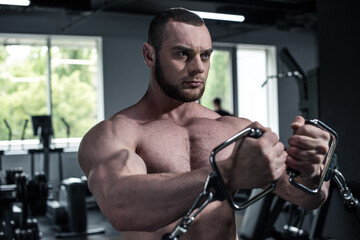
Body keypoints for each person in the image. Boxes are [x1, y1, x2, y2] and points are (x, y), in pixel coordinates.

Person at [78, 8, 330, 240]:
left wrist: (312, 172)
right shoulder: (118, 132)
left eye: (205, 55)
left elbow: (306, 198)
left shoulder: (234, 129)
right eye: (182, 54)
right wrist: (227, 173)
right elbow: (119, 205)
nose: (198, 67)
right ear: (149, 55)